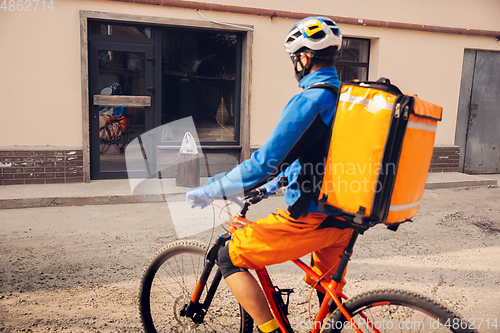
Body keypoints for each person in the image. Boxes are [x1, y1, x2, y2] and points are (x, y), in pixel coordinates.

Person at [186, 17, 353, 333]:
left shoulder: (310, 99)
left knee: (227, 256)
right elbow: (320, 152)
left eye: (295, 58)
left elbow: (264, 163)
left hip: (311, 218)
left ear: (303, 57)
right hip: (345, 214)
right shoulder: (346, 97)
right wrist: (278, 182)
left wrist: (213, 189)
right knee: (327, 291)